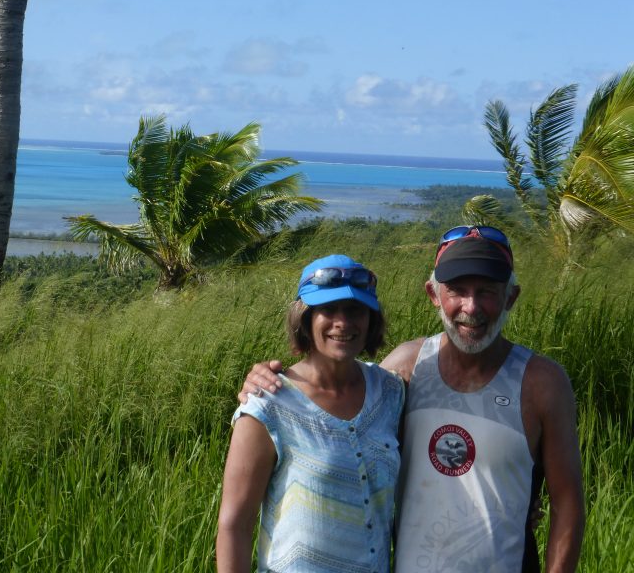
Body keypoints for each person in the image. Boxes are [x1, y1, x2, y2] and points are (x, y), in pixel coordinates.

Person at [240, 227, 585, 573]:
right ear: (433, 294)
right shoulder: (406, 368)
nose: (471, 307)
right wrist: (270, 385)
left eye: (487, 292)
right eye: (457, 291)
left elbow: (568, 504)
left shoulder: (541, 383)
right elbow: (336, 388)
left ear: (511, 297)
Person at [217, 254, 405, 572]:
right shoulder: (268, 403)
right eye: (328, 310)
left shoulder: (390, 392)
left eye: (355, 310)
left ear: (371, 319)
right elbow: (234, 524)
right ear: (305, 319)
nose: (342, 322)